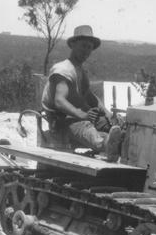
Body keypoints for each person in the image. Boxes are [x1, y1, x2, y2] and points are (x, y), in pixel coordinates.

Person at [40, 25, 123, 162]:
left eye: (89, 47)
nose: (86, 51)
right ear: (73, 44)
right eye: (83, 46)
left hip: (76, 117)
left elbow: (89, 96)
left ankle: (118, 139)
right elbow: (59, 101)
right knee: (85, 127)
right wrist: (83, 115)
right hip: (60, 121)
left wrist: (108, 114)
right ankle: (105, 144)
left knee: (109, 124)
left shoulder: (79, 70)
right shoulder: (64, 69)